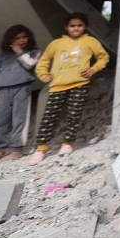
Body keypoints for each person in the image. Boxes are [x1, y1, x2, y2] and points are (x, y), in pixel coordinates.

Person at [28, 13, 109, 165]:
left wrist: (93, 69)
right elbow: (44, 60)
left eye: (79, 25)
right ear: (66, 27)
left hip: (80, 84)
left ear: (84, 27)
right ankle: (41, 149)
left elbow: (103, 57)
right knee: (49, 117)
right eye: (72, 25)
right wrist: (43, 75)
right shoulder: (56, 44)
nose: (76, 28)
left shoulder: (90, 41)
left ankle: (67, 144)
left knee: (74, 116)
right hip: (57, 85)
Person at [0, 25, 41, 161]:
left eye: (24, 37)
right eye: (17, 38)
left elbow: (30, 64)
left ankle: (16, 149)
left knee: (20, 119)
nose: (22, 40)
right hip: (1, 90)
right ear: (10, 39)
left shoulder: (34, 52)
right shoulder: (2, 57)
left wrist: (19, 51)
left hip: (22, 88)